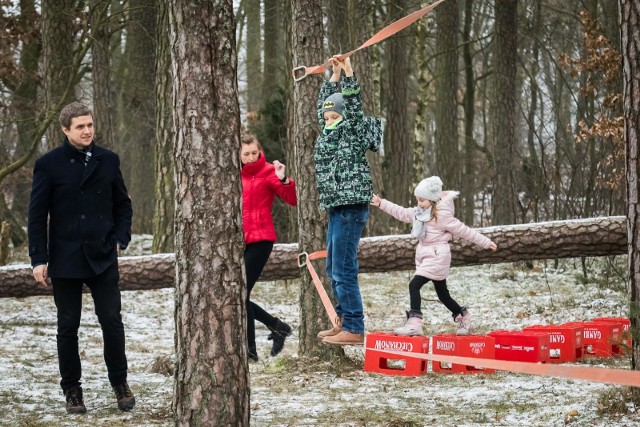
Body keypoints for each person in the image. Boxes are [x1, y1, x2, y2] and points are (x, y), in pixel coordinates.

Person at [27, 102, 135, 414]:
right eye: (80, 127)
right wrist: (38, 258)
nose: (87, 130)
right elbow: (37, 217)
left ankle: (120, 382)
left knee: (112, 321)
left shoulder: (108, 160)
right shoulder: (49, 164)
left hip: (103, 256)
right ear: (65, 130)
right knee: (68, 325)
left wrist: (119, 239)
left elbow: (123, 207)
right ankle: (72, 390)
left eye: (89, 124)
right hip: (65, 258)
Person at [371, 176, 498, 336]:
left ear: (432, 200)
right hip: (427, 255)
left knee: (414, 285)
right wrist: (382, 203)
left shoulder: (443, 216)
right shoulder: (419, 213)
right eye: (417, 199)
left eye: (422, 200)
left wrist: (486, 242)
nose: (419, 203)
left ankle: (414, 322)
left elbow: (465, 231)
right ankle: (463, 316)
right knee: (443, 294)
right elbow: (401, 212)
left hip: (438, 256)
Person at [314, 56, 382, 346]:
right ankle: (343, 319)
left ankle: (354, 326)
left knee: (344, 268)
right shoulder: (328, 132)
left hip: (352, 206)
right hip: (336, 207)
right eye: (327, 118)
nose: (328, 121)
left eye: (334, 117)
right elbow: (324, 106)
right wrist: (333, 76)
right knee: (333, 268)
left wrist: (350, 73)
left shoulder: (351, 133)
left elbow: (352, 108)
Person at [240, 134, 297, 361]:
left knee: (240, 293)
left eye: (255, 152)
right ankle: (277, 326)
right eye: (246, 154)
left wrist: (283, 179)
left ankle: (251, 353)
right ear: (239, 155)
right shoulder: (232, 175)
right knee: (239, 294)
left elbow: (292, 199)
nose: (252, 158)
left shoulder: (268, 171)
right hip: (239, 242)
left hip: (261, 240)